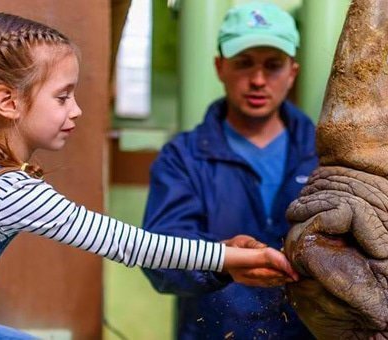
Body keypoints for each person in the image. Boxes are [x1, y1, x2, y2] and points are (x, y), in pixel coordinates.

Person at [0, 12, 298, 339]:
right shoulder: (10, 190)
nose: (77, 110)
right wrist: (226, 257)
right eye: (62, 97)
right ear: (7, 102)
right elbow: (128, 244)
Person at [141, 2, 318, 339]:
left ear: (293, 72)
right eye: (243, 63)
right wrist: (223, 257)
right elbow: (159, 258)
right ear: (220, 67)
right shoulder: (183, 158)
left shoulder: (324, 155)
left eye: (273, 66)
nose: (257, 80)